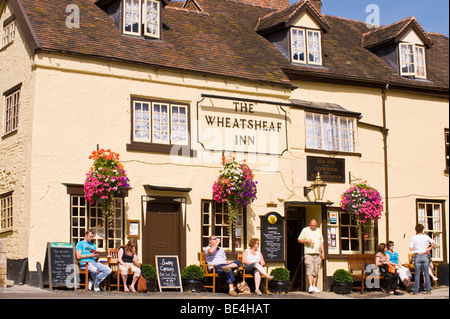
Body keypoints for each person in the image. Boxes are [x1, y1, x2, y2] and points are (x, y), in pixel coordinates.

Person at [298, 219, 325, 293]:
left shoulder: (319, 230)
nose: (313, 227)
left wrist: (323, 252)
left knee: (316, 270)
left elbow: (321, 242)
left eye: (314, 225)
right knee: (310, 269)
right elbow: (299, 239)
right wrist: (306, 241)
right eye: (312, 225)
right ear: (309, 224)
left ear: (316, 225)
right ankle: (310, 286)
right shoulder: (305, 230)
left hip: (317, 253)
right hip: (308, 253)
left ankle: (314, 286)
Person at [409, 224, 436, 295]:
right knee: (426, 273)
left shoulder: (413, 237)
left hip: (417, 255)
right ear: (422, 230)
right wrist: (429, 249)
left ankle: (415, 291)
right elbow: (434, 243)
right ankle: (428, 290)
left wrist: (416, 247)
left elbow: (411, 248)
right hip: (425, 255)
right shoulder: (426, 237)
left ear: (416, 230)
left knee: (417, 274)